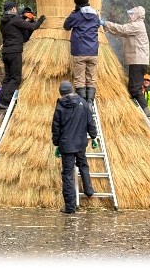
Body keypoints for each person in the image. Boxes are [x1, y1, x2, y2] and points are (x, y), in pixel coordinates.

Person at [51, 80, 98, 214]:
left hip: (66, 145)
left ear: (61, 93)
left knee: (67, 175)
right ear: (72, 90)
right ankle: (89, 190)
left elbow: (56, 126)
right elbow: (90, 121)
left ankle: (70, 207)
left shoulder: (60, 106)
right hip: (80, 142)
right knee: (83, 164)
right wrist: (93, 136)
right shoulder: (83, 103)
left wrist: (56, 143)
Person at [102, 5, 150, 116]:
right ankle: (142, 109)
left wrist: (105, 23)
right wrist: (106, 28)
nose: (130, 16)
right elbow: (121, 33)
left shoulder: (137, 25)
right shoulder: (134, 26)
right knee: (133, 87)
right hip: (136, 60)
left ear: (138, 15)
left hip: (138, 61)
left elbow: (122, 29)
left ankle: (145, 110)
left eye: (132, 14)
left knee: (134, 89)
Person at [0, 0, 45, 110]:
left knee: (8, 77)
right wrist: (39, 21)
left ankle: (1, 100)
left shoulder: (3, 21)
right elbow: (32, 27)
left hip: (5, 52)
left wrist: (24, 20)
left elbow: (18, 31)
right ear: (13, 9)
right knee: (16, 78)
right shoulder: (15, 19)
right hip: (14, 52)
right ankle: (6, 101)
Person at [63, 0, 102, 106]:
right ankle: (90, 102)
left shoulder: (76, 15)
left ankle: (83, 104)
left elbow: (66, 26)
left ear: (77, 3)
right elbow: (98, 24)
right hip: (93, 51)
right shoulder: (95, 15)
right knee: (91, 78)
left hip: (80, 51)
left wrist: (73, 13)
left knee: (80, 79)